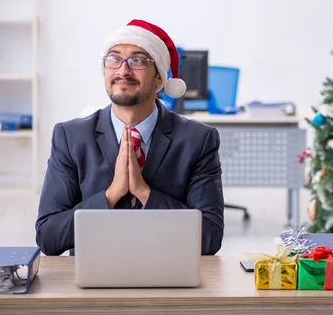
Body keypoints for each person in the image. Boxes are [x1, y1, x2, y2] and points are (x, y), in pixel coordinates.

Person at [35, 19, 224, 256]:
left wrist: (145, 193)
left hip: (168, 275)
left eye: (138, 61)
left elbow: (210, 239)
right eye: (113, 59)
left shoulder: (198, 140)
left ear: (159, 78)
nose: (123, 70)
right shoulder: (70, 138)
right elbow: (48, 237)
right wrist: (111, 195)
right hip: (95, 279)